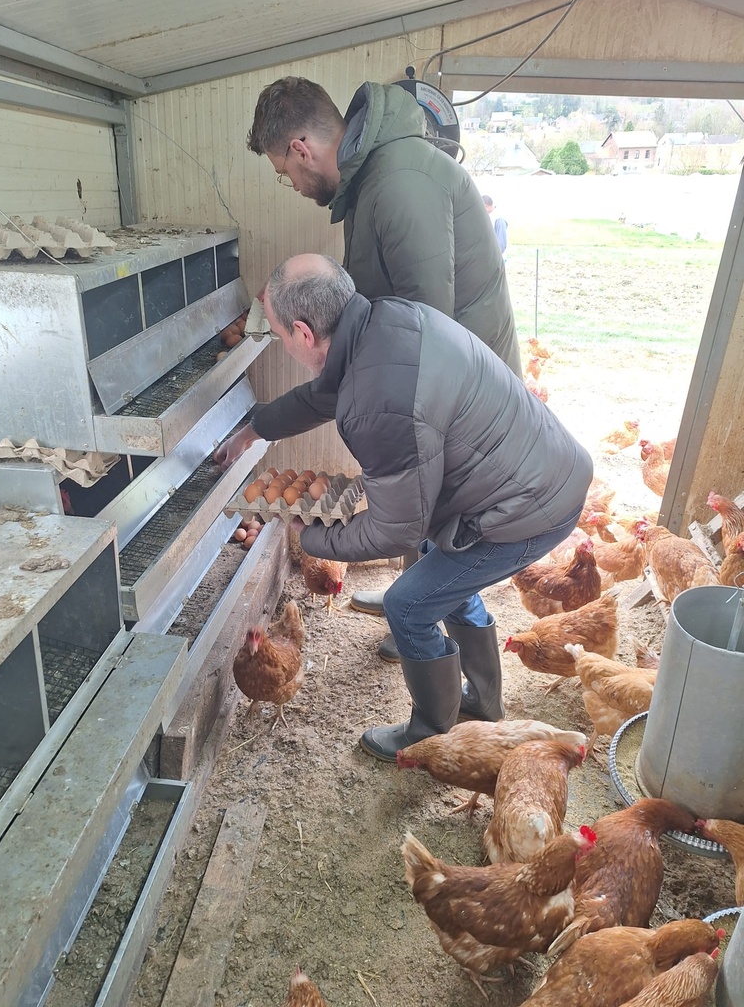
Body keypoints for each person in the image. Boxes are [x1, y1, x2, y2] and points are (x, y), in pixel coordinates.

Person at [214, 254, 592, 763]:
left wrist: (309, 539)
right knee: (442, 579)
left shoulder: (378, 402)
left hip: (528, 509)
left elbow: (396, 532)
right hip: (539, 471)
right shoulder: (380, 323)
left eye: (281, 336)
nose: (286, 345)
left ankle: (433, 729)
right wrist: (256, 427)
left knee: (409, 604)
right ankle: (482, 700)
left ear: (304, 333)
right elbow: (320, 395)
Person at [247, 75, 523, 662]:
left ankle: (424, 620)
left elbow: (428, 335)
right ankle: (418, 600)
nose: (292, 185)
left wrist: (364, 408)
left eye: (284, 172)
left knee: (447, 533)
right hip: (445, 386)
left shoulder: (399, 183)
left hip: (463, 399)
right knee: (427, 523)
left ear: (301, 148)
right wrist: (269, 419)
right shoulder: (373, 178)